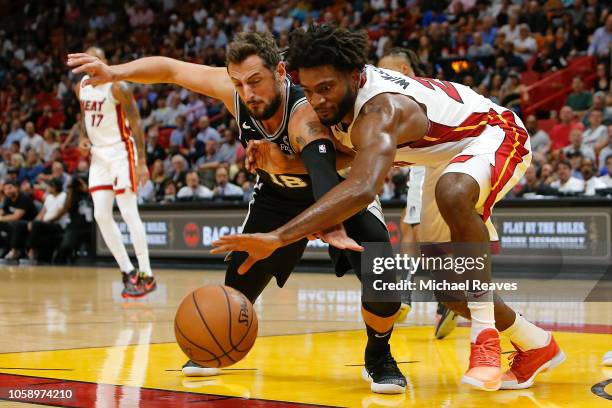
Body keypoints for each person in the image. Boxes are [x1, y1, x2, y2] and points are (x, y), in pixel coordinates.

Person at [218, 26, 564, 392]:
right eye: (309, 90)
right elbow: (334, 159)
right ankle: (538, 345)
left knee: (453, 192)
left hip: (492, 133)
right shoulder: (332, 106)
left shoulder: (381, 110)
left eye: (326, 89)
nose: (317, 101)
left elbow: (363, 187)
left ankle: (484, 339)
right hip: (440, 159)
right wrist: (273, 159)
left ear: (355, 76)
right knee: (447, 290)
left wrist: (277, 237)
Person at [68, 31, 407, 394]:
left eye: (256, 81)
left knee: (381, 276)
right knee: (239, 279)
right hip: (276, 197)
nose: (247, 92)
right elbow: (169, 68)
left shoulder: (304, 114)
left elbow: (323, 171)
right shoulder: (235, 90)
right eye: (239, 83)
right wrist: (115, 72)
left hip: (338, 190)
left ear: (280, 71)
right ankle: (212, 343)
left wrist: (328, 219)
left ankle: (379, 355)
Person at [377, 47, 457, 339]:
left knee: (413, 227)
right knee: (434, 230)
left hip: (432, 162)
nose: (380, 75)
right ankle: (446, 296)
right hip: (443, 161)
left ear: (405, 70)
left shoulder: (409, 94)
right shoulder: (431, 90)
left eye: (386, 70)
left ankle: (409, 292)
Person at [74, 46, 156, 298]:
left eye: (95, 58)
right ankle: (128, 271)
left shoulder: (118, 87)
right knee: (100, 214)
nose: (90, 63)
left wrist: (142, 160)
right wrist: (82, 137)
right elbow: (83, 117)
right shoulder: (81, 86)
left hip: (121, 151)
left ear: (105, 61)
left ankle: (146, 274)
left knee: (129, 212)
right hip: (98, 155)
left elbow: (136, 122)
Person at [0, 180, 38, 260]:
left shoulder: (24, 198)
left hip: (29, 224)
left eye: (10, 188)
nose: (7, 191)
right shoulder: (8, 199)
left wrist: (1, 218)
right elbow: (1, 211)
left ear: (16, 188)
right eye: (5, 189)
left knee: (15, 224)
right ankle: (5, 249)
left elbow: (16, 216)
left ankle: (14, 251)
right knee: (10, 225)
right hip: (13, 224)